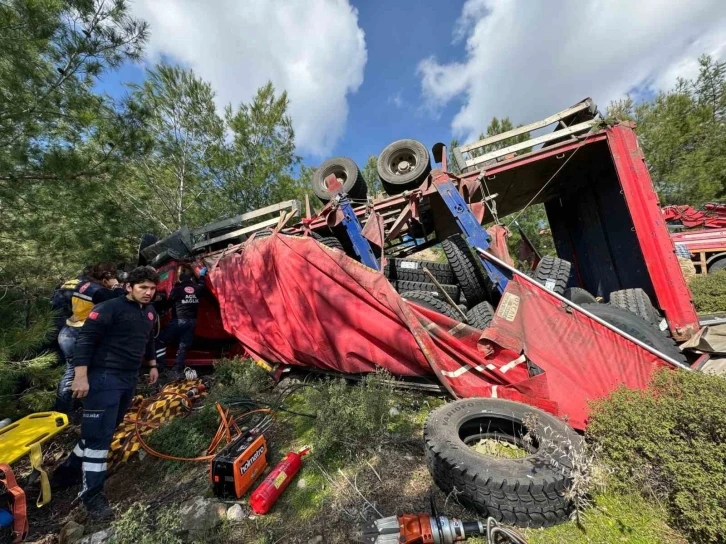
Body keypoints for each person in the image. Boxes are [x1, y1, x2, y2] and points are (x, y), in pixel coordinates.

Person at [51, 266, 160, 519]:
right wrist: (80, 378)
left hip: (128, 379)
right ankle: (92, 497)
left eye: (152, 288)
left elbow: (149, 339)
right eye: (143, 287)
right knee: (100, 438)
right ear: (129, 287)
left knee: (105, 430)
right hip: (103, 378)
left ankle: (66, 473)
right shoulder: (107, 309)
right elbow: (85, 341)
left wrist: (153, 365)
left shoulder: (150, 313)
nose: (148, 293)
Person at [55, 263, 126, 414]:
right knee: (79, 372)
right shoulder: (96, 289)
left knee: (71, 371)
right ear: (106, 277)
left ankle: (66, 409)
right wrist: (116, 286)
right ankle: (67, 411)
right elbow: (120, 303)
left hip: (67, 331)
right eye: (111, 277)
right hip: (80, 335)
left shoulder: (77, 284)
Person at [156, 264, 207, 376]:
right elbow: (202, 284)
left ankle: (160, 365)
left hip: (178, 321)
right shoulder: (197, 289)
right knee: (183, 345)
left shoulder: (177, 290)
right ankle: (177, 368)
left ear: (180, 279)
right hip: (192, 322)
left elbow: (169, 302)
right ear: (191, 279)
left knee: (160, 340)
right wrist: (202, 275)